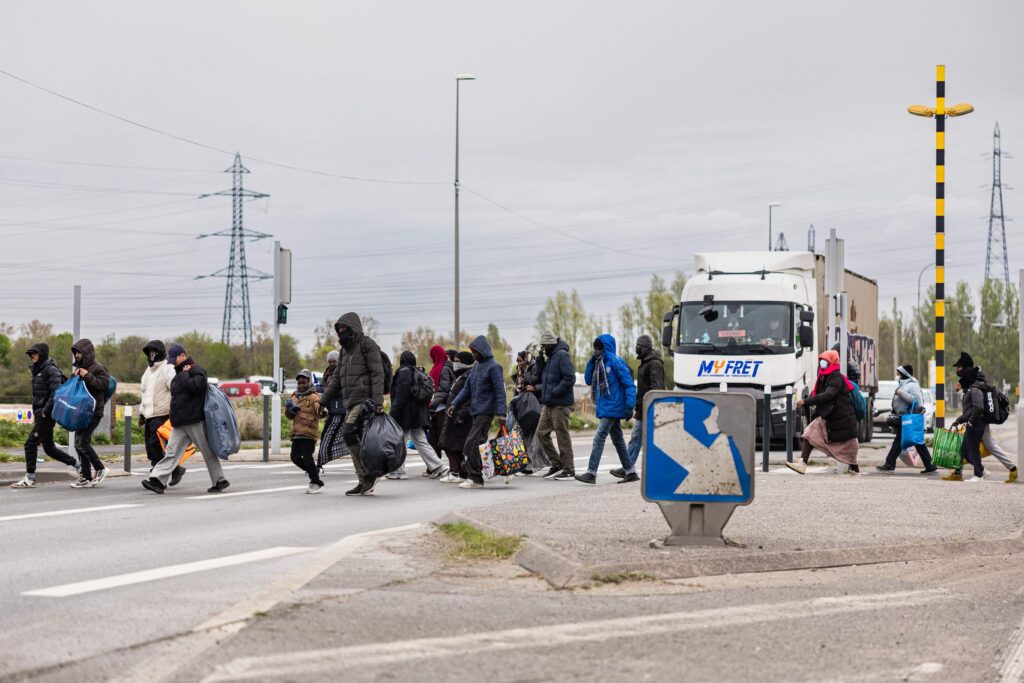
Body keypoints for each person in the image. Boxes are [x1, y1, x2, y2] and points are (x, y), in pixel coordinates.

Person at [141, 344, 230, 494]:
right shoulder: (178, 373)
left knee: (207, 452)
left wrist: (183, 375)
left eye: (174, 359)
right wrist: (181, 375)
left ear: (182, 356)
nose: (172, 363)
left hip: (194, 420)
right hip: (180, 422)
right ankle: (158, 481)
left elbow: (198, 386)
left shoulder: (196, 369)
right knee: (171, 451)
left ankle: (220, 480)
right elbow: (175, 391)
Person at [320, 312, 386, 496]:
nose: (341, 332)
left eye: (344, 328)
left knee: (348, 433)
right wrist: (323, 401)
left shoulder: (367, 344)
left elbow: (377, 374)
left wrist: (378, 401)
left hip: (364, 401)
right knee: (356, 439)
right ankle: (364, 479)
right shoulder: (344, 351)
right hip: (349, 402)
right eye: (339, 329)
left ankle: (368, 476)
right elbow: (337, 380)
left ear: (353, 328)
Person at [10, 343, 78, 488]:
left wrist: (45, 411)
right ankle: (78, 465)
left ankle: (29, 477)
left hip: (47, 415)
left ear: (42, 354)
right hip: (40, 413)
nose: (32, 356)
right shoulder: (37, 370)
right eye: (31, 354)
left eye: (35, 353)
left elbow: (56, 393)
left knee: (30, 444)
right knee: (49, 448)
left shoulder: (51, 369)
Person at [943, 352, 1018, 483]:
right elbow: (969, 402)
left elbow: (974, 403)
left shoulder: (974, 380)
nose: (956, 370)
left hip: (978, 419)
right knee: (985, 444)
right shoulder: (971, 379)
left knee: (972, 446)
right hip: (977, 418)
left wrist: (967, 420)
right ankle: (1010, 468)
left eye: (958, 367)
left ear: (965, 368)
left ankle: (978, 473)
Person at [786, 349, 860, 475]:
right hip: (831, 416)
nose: (822, 363)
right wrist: (808, 399)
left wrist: (806, 401)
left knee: (850, 447)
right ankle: (802, 463)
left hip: (841, 418)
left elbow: (828, 395)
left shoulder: (836, 377)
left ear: (832, 362)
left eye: (825, 361)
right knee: (810, 433)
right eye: (821, 361)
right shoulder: (824, 377)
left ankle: (855, 471)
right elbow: (820, 394)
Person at [576, 334, 636, 484]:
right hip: (607, 405)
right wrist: (591, 361)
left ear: (605, 347)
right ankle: (630, 471)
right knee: (618, 439)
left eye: (598, 348)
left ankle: (591, 473)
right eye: (594, 348)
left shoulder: (615, 362)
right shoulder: (597, 362)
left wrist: (630, 406)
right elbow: (589, 380)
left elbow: (629, 384)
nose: (596, 350)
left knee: (599, 436)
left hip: (614, 405)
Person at [448, 336, 507, 489]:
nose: (472, 355)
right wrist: (454, 404)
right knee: (478, 445)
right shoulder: (476, 367)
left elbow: (500, 392)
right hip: (475, 411)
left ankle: (476, 479)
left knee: (471, 444)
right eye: (472, 352)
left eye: (474, 352)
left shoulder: (494, 367)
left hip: (486, 412)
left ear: (482, 351)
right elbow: (466, 389)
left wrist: (501, 413)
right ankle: (486, 469)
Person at [612, 335, 665, 484]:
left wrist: (651, 407)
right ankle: (628, 468)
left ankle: (632, 469)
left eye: (639, 345)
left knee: (653, 441)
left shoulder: (653, 364)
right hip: (644, 409)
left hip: (651, 410)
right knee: (636, 438)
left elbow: (657, 388)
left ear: (646, 347)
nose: (636, 348)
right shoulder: (645, 363)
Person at [390, 351, 448, 480]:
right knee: (420, 441)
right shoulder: (417, 372)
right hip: (418, 414)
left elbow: (400, 396)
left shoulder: (404, 372)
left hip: (405, 414)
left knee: (401, 442)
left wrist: (392, 414)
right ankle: (438, 467)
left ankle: (398, 471)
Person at [874, 364, 937, 474]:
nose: (898, 375)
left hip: (910, 419)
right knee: (909, 441)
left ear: (904, 374)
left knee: (911, 441)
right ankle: (929, 465)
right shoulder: (905, 384)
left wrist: (900, 393)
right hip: (905, 419)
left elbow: (915, 401)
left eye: (899, 373)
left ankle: (890, 464)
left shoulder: (912, 385)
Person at [139, 340, 186, 486]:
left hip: (163, 414)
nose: (151, 356)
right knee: (151, 447)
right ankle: (176, 469)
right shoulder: (148, 371)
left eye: (154, 352)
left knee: (157, 446)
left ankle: (157, 476)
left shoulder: (167, 369)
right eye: (149, 353)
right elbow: (145, 393)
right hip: (149, 415)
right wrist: (141, 413)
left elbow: (175, 390)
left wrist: (175, 410)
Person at [532, 332, 577, 480]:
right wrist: (539, 359)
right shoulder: (550, 357)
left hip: (560, 403)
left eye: (544, 346)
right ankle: (557, 463)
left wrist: (555, 391)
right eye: (542, 347)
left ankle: (569, 469)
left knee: (562, 435)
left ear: (551, 344)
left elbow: (570, 377)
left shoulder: (562, 355)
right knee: (541, 433)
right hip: (549, 403)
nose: (543, 349)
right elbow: (540, 376)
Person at [69, 339, 111, 488]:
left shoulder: (99, 368)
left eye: (79, 352)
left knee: (83, 441)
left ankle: (100, 468)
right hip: (80, 412)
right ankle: (86, 477)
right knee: (77, 443)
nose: (77, 355)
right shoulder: (79, 369)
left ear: (86, 353)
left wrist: (87, 375)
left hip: (94, 412)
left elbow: (103, 385)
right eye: (75, 353)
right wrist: (73, 377)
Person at [438, 351, 475, 483]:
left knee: (452, 445)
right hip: (453, 414)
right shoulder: (459, 376)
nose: (455, 363)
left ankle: (456, 472)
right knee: (450, 445)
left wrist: (462, 413)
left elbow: (469, 397)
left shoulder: (468, 376)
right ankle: (459, 471)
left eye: (458, 361)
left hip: (461, 416)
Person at [286, 369, 325, 494]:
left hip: (308, 433)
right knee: (294, 457)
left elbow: (321, 410)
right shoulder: (294, 397)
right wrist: (289, 410)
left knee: (308, 458)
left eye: (304, 383)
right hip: (297, 433)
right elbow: (289, 416)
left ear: (309, 382)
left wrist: (322, 411)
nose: (301, 385)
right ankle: (313, 471)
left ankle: (316, 482)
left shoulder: (314, 396)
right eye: (299, 383)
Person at [317, 350, 349, 473]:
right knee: (326, 437)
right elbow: (326, 387)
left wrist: (325, 390)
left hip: (341, 410)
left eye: (334, 361)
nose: (331, 364)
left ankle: (319, 465)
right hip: (332, 410)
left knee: (330, 436)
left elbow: (338, 390)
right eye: (330, 361)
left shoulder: (343, 372)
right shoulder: (327, 374)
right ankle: (320, 464)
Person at [426, 345, 453, 459]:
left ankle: (456, 466)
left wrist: (433, 404)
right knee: (433, 440)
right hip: (435, 409)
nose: (432, 358)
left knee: (443, 440)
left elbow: (443, 389)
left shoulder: (445, 368)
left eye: (433, 356)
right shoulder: (436, 368)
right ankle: (434, 467)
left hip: (442, 409)